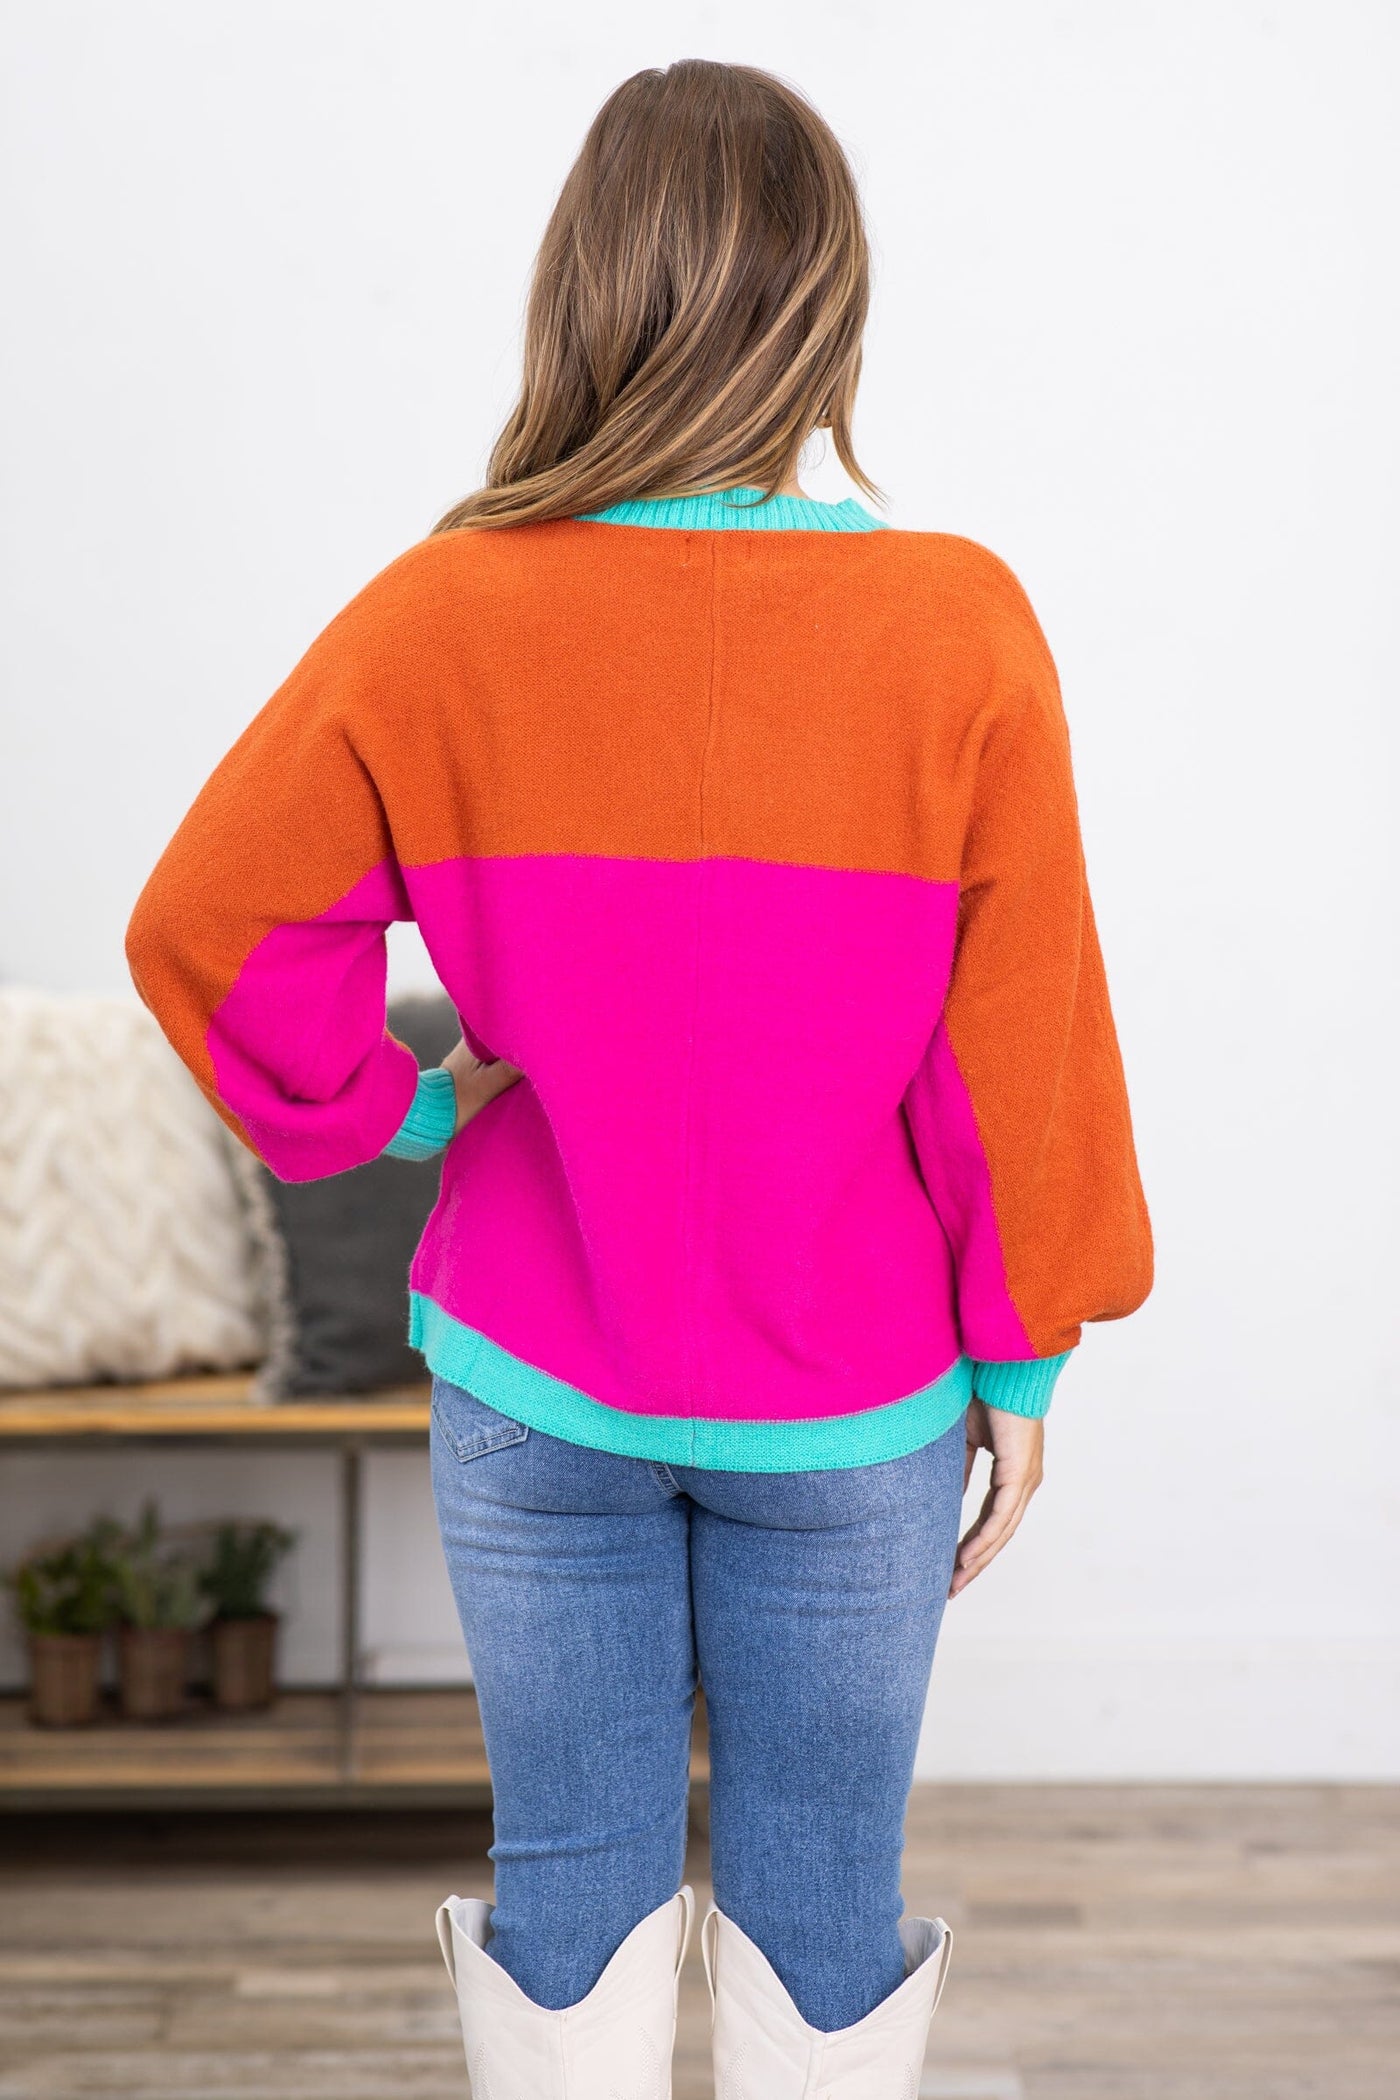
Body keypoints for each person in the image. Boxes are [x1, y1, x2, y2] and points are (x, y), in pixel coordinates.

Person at [127, 57, 1152, 2100]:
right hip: (850, 1396)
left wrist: (414, 1110)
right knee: (824, 1908)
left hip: (531, 1383)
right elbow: (1015, 1044)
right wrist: (1021, 1357)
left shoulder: (446, 607)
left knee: (570, 1890)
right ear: (826, 305)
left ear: (580, 291)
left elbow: (214, 933)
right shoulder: (959, 626)